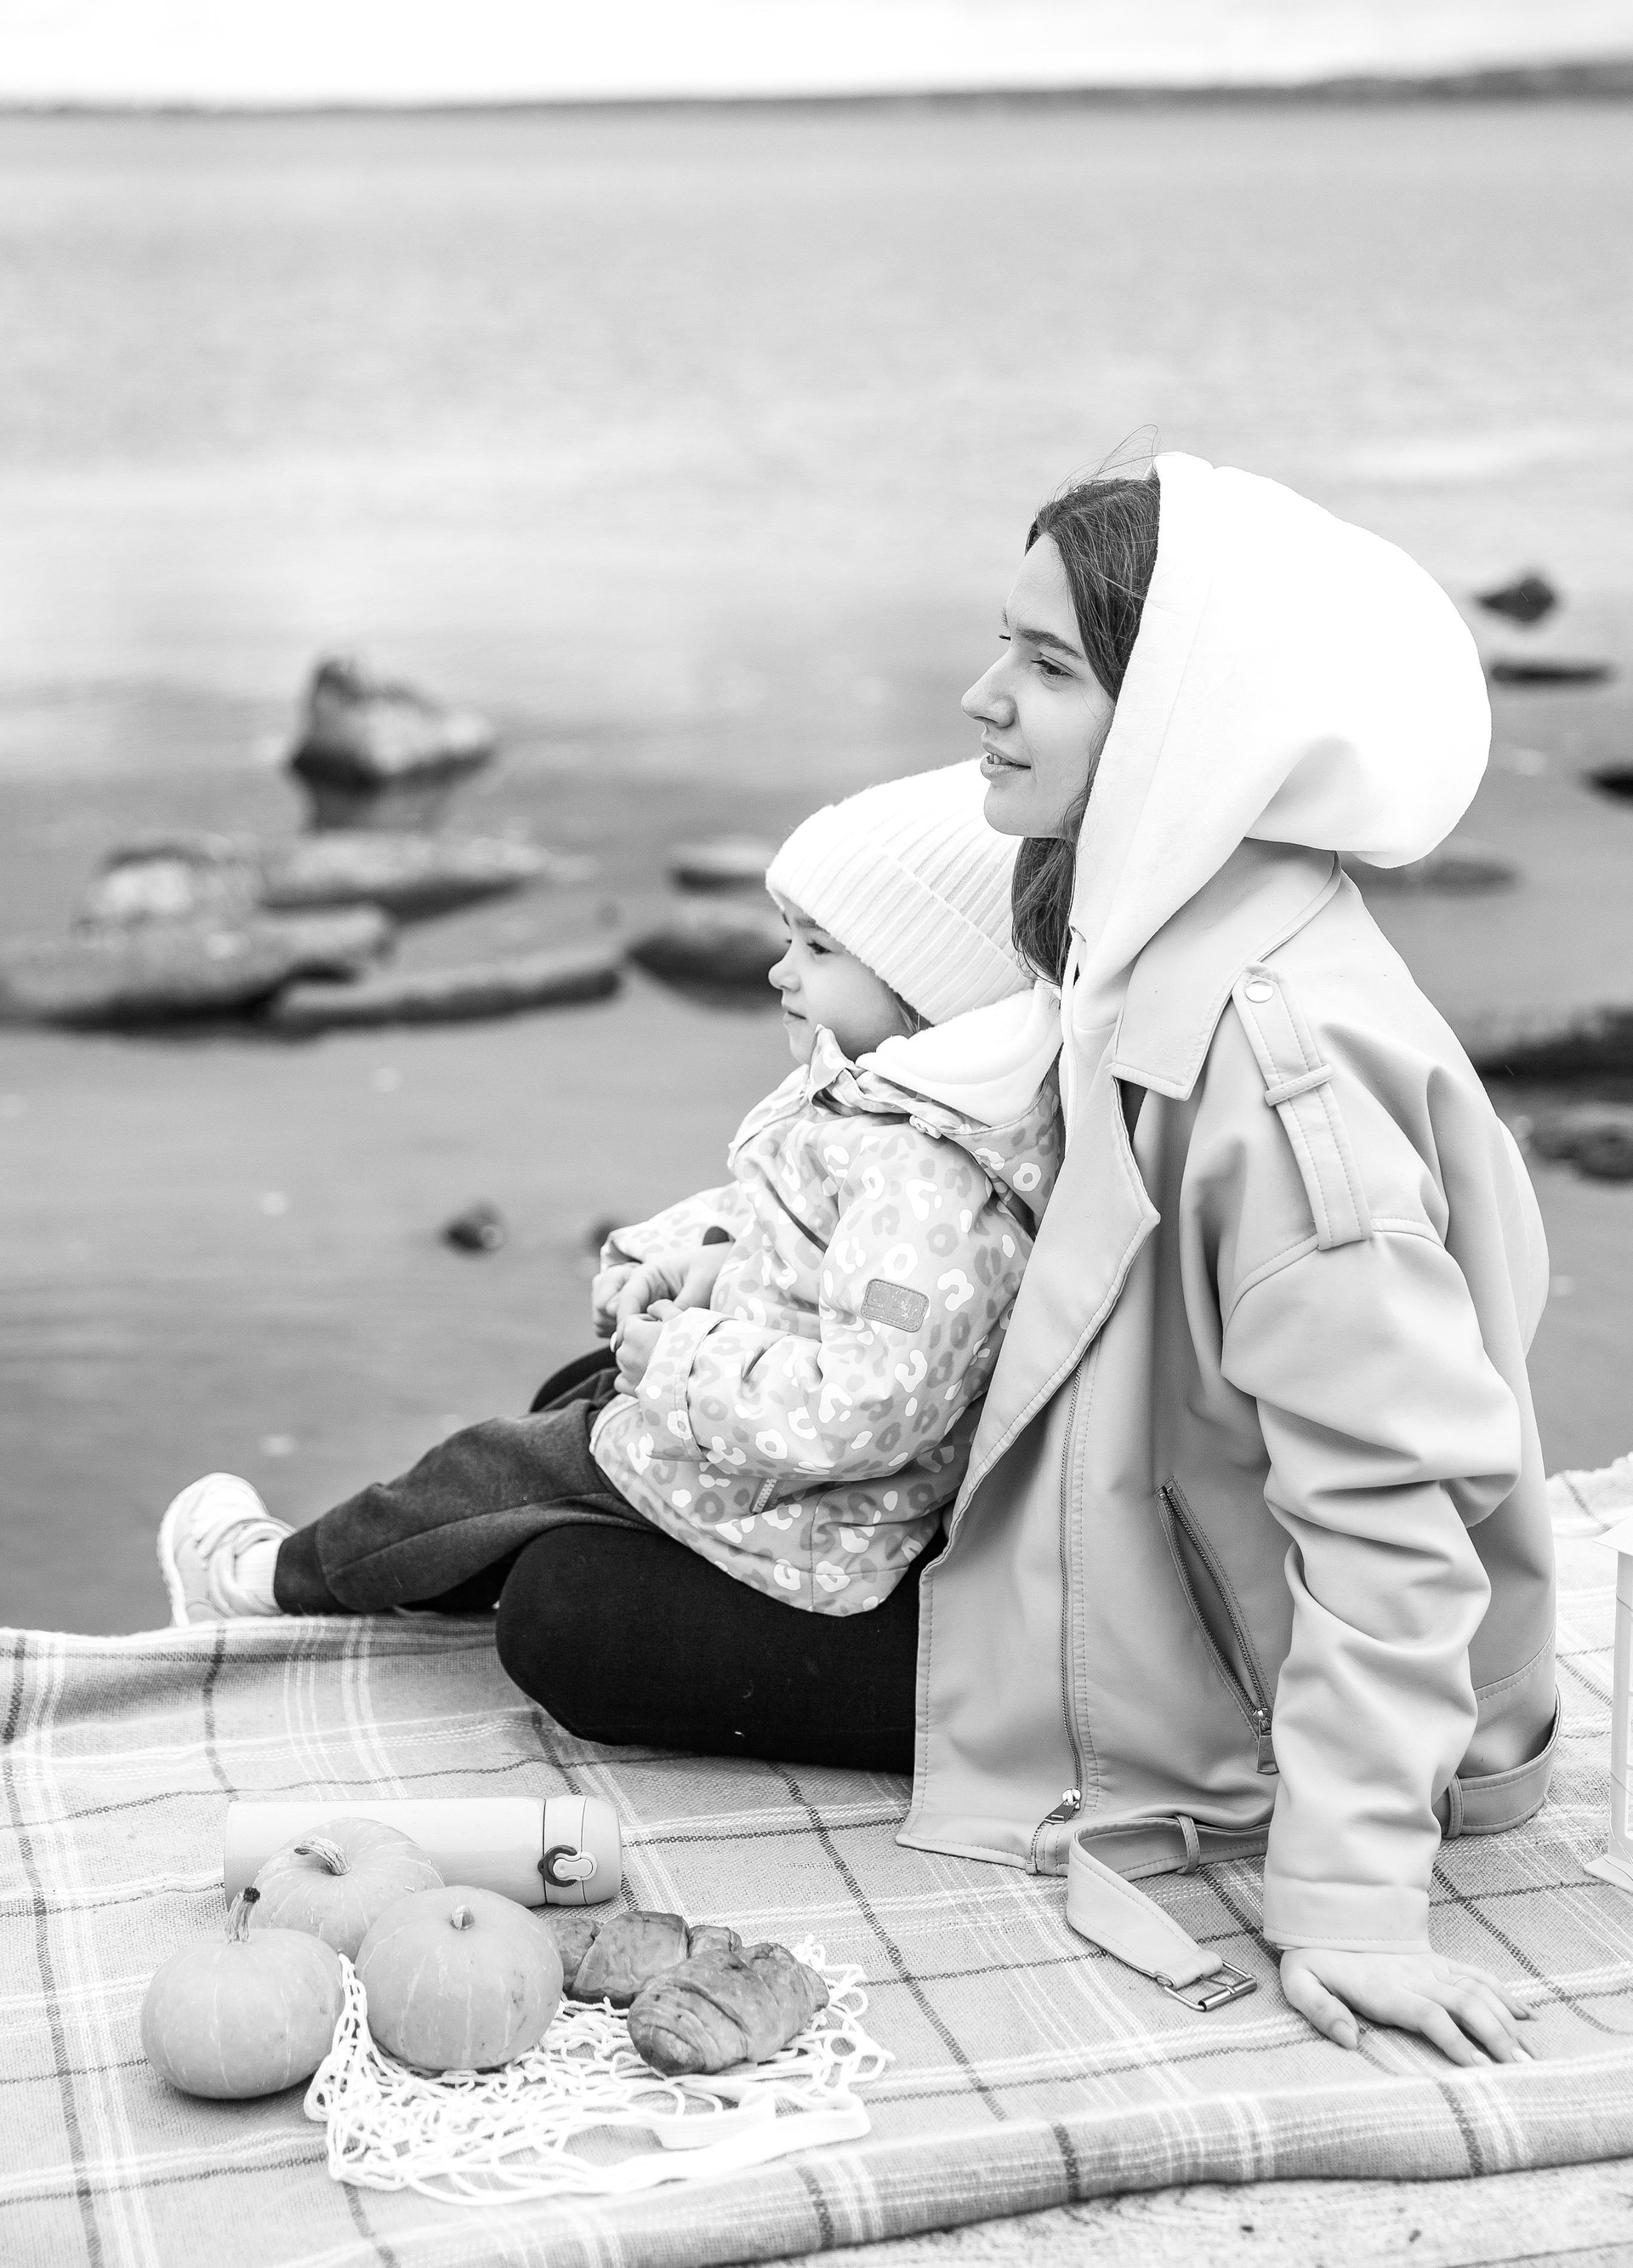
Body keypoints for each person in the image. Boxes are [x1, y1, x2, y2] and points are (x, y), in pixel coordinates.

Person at [500, 453, 1556, 2071]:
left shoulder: (1285, 1080)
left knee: (569, 1610)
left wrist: (1351, 1900)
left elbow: (1394, 1513)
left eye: (1051, 666)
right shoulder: (1161, 924)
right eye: (1006, 643)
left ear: (1189, 718)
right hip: (1118, 1549)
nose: (983, 696)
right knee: (592, 1405)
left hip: (1215, 1675)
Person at [158, 761, 1061, 1667]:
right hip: (767, 1466)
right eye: (788, 937)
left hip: (791, 1513)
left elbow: (868, 1402)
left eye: (819, 950)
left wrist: (676, 1360)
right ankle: (393, 1583)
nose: (780, 969)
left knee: (489, 1471)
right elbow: (804, 1233)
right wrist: (696, 1254)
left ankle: (261, 1582)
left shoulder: (924, 1180)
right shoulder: (890, 1108)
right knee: (549, 1430)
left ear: (924, 981)